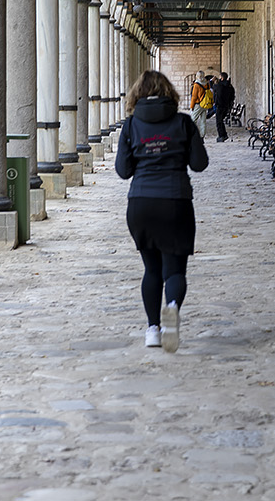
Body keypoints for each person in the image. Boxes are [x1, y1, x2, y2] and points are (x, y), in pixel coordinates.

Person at [116, 70, 208, 352]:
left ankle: (153, 330)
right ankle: (172, 308)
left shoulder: (131, 126)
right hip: (175, 201)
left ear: (136, 95)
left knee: (151, 269)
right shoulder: (183, 122)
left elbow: (123, 170)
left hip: (141, 203)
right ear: (170, 92)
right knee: (175, 270)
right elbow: (199, 163)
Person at [211, 72, 235, 142]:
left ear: (221, 78)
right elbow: (232, 96)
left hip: (220, 105)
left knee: (219, 121)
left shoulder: (219, 85)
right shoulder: (230, 86)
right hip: (226, 106)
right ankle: (224, 134)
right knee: (221, 120)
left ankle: (221, 135)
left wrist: (212, 81)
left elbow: (212, 88)